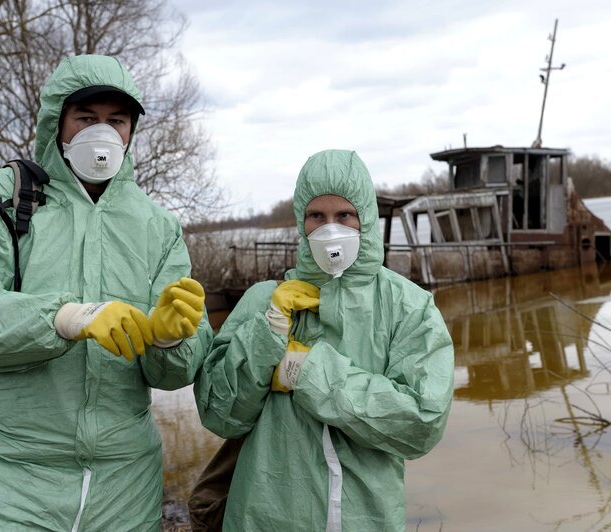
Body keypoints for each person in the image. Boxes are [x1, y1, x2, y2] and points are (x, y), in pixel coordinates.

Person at [0, 54, 212, 530]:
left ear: (132, 131)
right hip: (5, 476)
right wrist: (62, 318)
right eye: (86, 118)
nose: (102, 133)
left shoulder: (157, 227)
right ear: (57, 123)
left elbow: (174, 375)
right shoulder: (2, 199)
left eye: (116, 120)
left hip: (124, 484)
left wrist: (172, 340)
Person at [194, 149, 454, 531]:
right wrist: (266, 335)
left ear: (364, 218)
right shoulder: (264, 301)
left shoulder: (409, 307)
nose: (331, 229)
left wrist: (305, 370)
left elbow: (422, 423)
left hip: (368, 519)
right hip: (266, 518)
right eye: (317, 216)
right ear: (302, 223)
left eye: (344, 215)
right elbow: (219, 414)